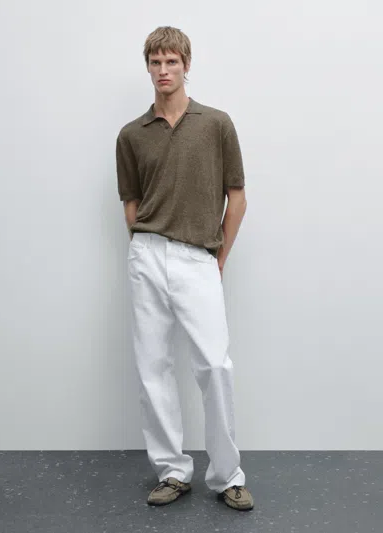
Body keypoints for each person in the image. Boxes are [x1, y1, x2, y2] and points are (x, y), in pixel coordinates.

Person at [115, 26, 254, 511]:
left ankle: (227, 475)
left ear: (186, 65)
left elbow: (236, 197)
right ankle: (172, 471)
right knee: (153, 366)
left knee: (214, 365)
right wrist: (144, 247)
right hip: (148, 254)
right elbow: (131, 203)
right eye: (155, 62)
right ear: (147, 67)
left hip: (199, 256)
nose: (163, 70)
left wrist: (219, 257)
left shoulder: (216, 124)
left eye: (171, 61)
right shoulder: (131, 134)